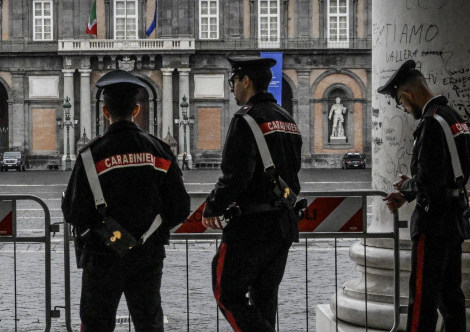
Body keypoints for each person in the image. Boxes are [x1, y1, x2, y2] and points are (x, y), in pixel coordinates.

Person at [62, 70, 191, 332]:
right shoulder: (160, 150)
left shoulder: (91, 155)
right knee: (149, 322)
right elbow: (180, 207)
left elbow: (74, 212)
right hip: (148, 253)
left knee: (96, 323)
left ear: (105, 112)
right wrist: (155, 228)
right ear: (136, 109)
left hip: (102, 253)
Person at [202, 55, 303, 332]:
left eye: (233, 80)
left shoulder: (246, 119)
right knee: (264, 299)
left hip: (250, 227)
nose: (231, 86)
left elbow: (235, 176)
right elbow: (294, 171)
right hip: (282, 225)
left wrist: (212, 206)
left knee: (226, 293)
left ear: (246, 80)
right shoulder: (287, 120)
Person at [379, 60, 470, 332]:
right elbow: (450, 173)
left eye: (401, 103)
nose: (404, 110)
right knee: (451, 295)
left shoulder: (431, 124)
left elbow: (430, 180)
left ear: (407, 95)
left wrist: (405, 189)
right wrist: (410, 188)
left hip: (433, 224)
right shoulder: (454, 118)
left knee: (422, 298)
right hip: (454, 219)